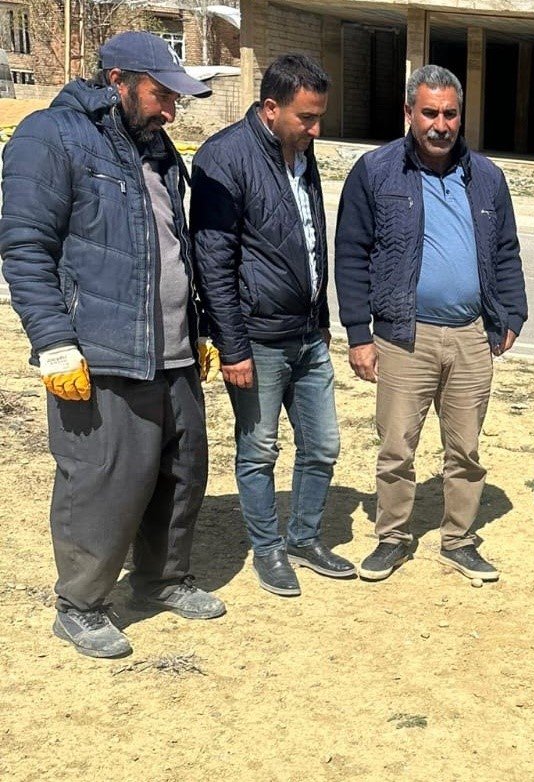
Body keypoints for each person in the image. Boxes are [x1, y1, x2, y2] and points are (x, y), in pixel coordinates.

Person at [0, 31, 226, 658]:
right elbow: (25, 248)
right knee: (103, 481)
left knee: (179, 475)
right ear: (119, 80)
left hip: (172, 349)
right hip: (102, 352)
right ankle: (81, 604)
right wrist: (53, 343)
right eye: (160, 96)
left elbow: (174, 246)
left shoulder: (157, 150)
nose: (170, 112)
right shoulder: (52, 137)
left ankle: (162, 580)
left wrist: (199, 327)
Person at [335, 64, 527, 584]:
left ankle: (459, 540)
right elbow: (351, 253)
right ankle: (392, 537)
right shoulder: (375, 172)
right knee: (397, 445)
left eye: (449, 114)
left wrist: (512, 313)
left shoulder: (486, 177)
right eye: (429, 113)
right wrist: (358, 334)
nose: (440, 125)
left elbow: (505, 251)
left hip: (469, 335)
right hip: (403, 335)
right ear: (408, 113)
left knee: (464, 448)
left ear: (460, 116)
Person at [191, 54, 353, 597]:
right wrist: (231, 346)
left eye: (319, 117)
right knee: (259, 450)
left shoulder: (302, 156)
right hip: (256, 342)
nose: (315, 129)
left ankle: (305, 537)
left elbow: (309, 242)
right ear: (270, 107)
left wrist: (322, 317)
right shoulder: (223, 158)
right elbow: (213, 261)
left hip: (307, 336)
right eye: (306, 117)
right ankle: (268, 549)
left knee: (323, 445)